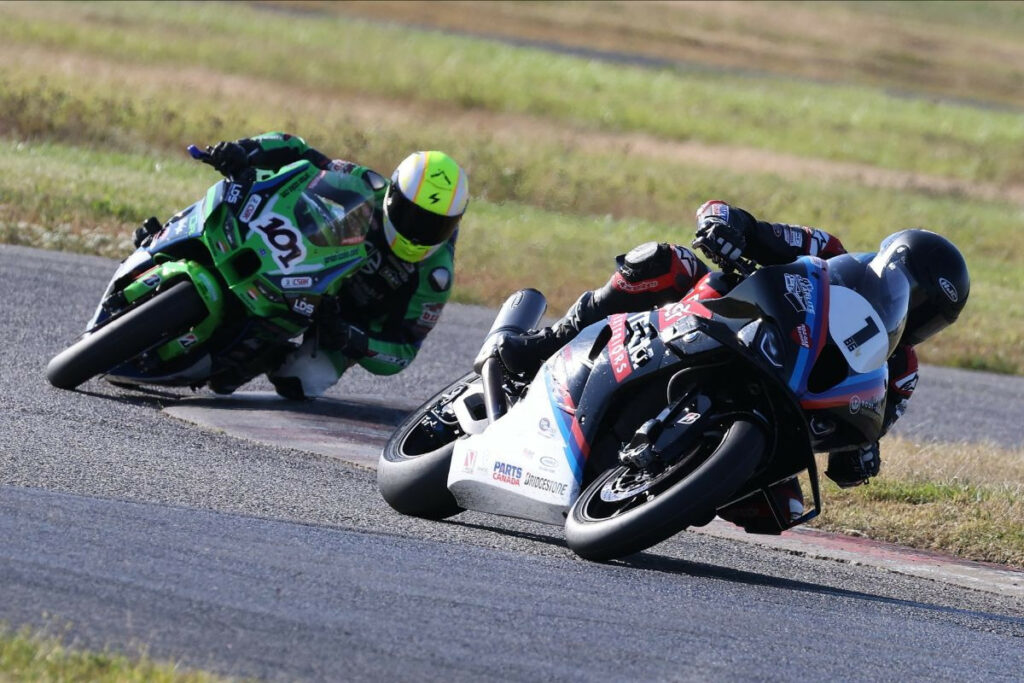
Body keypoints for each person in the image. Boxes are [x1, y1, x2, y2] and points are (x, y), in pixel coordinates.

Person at [496, 199, 970, 502]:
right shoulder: (828, 251)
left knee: (783, 508)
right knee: (669, 263)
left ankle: (667, 486)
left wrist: (859, 451)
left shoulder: (899, 373)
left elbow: (863, 431)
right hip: (727, 326)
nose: (914, 315)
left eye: (929, 315)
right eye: (914, 296)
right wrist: (721, 227)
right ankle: (545, 343)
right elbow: (729, 214)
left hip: (776, 413)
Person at [164, 132, 468, 399]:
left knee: (301, 380)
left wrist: (354, 339)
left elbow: (403, 353)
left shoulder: (434, 277)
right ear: (392, 195)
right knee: (229, 203)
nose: (419, 231)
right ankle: (165, 236)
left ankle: (266, 354)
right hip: (301, 268)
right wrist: (245, 149)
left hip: (341, 323)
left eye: (436, 225)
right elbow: (299, 152)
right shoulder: (365, 185)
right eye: (412, 215)